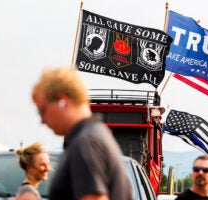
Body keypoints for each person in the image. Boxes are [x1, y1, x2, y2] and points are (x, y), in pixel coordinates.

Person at [31, 67, 132, 200]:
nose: (42, 121)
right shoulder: (93, 136)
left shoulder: (86, 144)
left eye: (42, 110)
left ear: (63, 102)